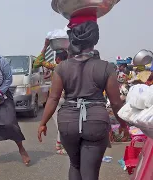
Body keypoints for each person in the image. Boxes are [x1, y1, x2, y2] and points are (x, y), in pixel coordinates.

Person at [38, 20, 129, 180]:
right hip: (95, 121)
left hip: (68, 122)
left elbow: (53, 98)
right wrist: (123, 124)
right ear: (94, 41)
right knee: (90, 172)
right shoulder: (106, 67)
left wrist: (42, 123)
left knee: (75, 164)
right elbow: (115, 102)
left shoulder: (62, 67)